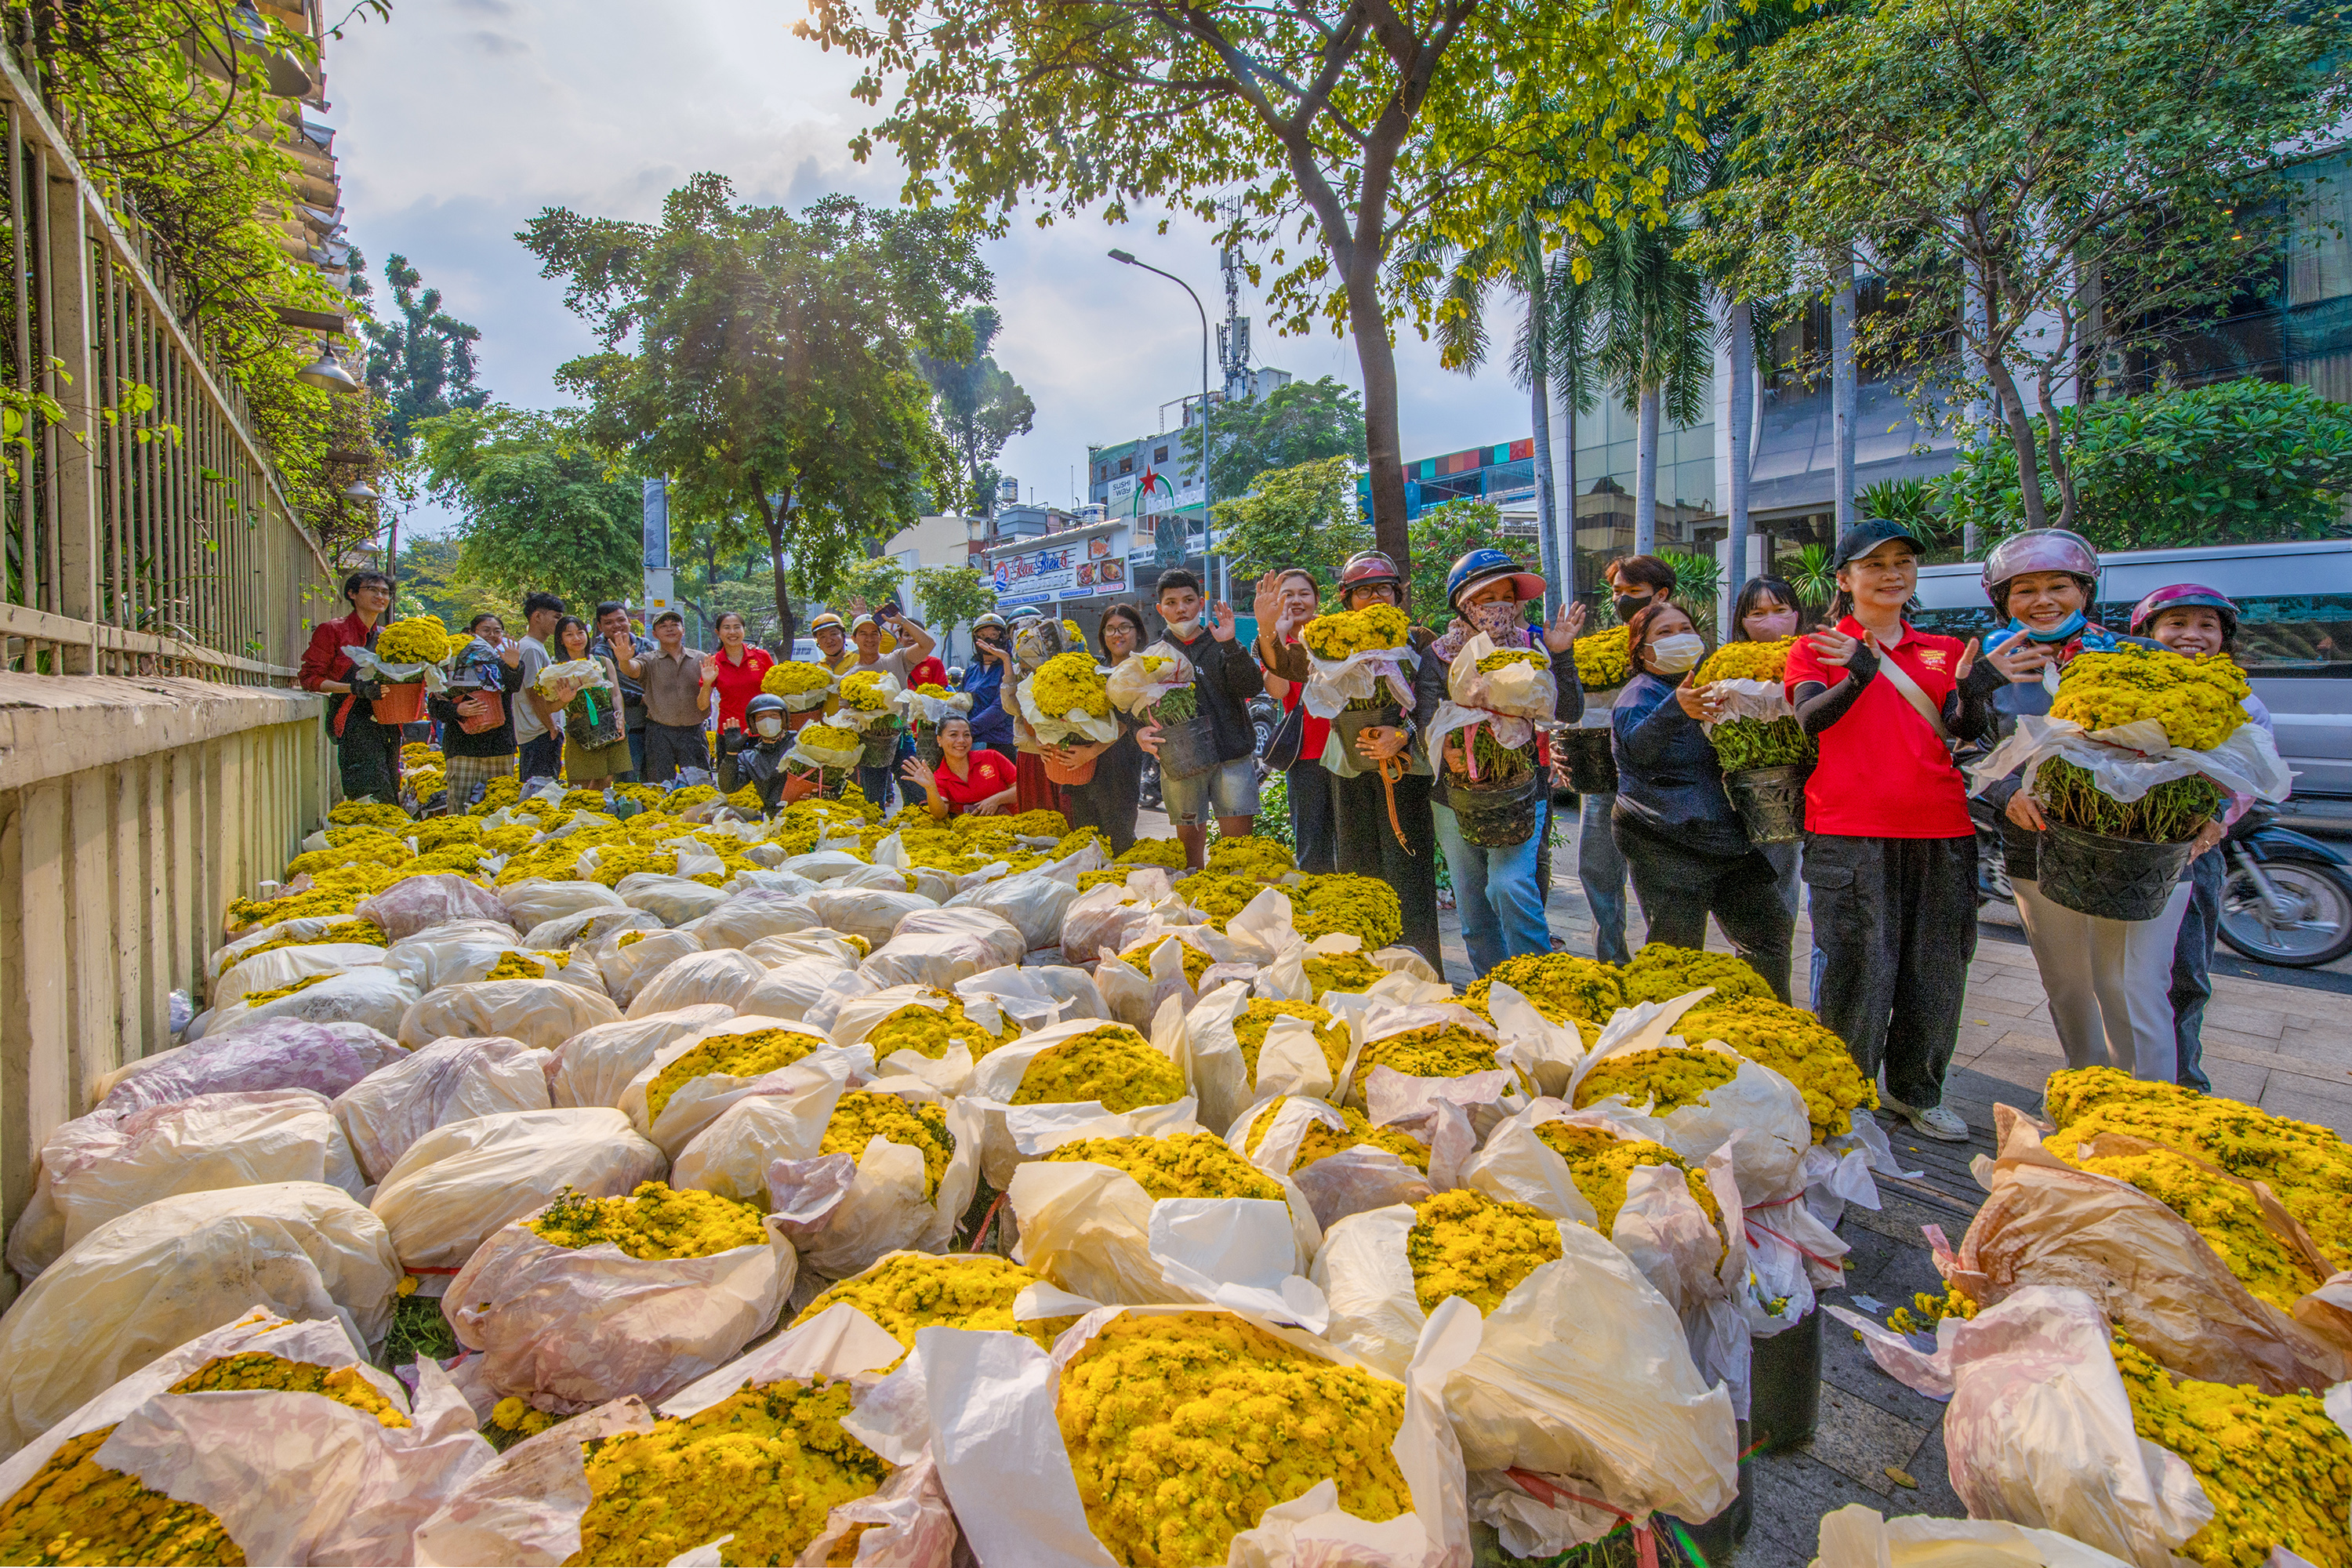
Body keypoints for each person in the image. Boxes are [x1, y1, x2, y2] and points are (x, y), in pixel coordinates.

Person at [1786, 518, 2003, 1142]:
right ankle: (1847, 1091)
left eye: (1903, 562)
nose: (1892, 574)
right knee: (1857, 965)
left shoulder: (1938, 647)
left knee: (1936, 967)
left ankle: (1917, 1090)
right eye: (1875, 564)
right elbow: (1809, 721)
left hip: (1942, 828)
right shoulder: (1817, 648)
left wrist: (1976, 691)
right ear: (1845, 579)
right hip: (1849, 829)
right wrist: (1859, 672)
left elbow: (1962, 732)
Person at [1973, 529, 2196, 1087]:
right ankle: (2086, 1091)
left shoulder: (2137, 657)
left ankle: (2146, 1108)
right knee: (2066, 984)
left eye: (2058, 586)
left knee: (2128, 984)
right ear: (2004, 600)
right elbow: (1964, 745)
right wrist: (2005, 792)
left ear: (2084, 591)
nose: (2043, 600)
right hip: (2036, 847)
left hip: (2132, 851)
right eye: (2024, 590)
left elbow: (2196, 742)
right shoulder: (1987, 666)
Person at [1264, 550, 1443, 971]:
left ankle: (1422, 968)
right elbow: (1290, 667)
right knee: (1358, 864)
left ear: (1397, 594)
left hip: (1405, 769)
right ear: (1348, 600)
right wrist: (1273, 631)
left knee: (1409, 865)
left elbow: (1438, 696)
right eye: (1363, 591)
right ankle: (1364, 966)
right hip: (1348, 763)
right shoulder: (1329, 637)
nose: (1375, 597)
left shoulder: (1419, 639)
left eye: (1383, 588)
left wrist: (1404, 734)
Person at [1610, 598, 1794, 1000]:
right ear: (1642, 650)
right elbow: (1637, 750)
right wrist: (1675, 708)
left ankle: (1771, 1021)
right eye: (1665, 632)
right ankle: (1671, 1038)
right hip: (1665, 838)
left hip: (1727, 838)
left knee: (1768, 937)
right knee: (1676, 954)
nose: (1680, 637)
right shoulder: (1638, 694)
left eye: (1686, 628)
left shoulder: (1711, 684)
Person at [2131, 584, 2276, 1094]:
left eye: (2206, 625)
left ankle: (2183, 1083)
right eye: (2176, 624)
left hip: (2195, 853)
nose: (2191, 635)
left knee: (2185, 974)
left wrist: (2216, 820)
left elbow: (2249, 777)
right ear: (2149, 635)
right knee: (2121, 976)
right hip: (2124, 853)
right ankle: (2117, 1075)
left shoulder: (2243, 702)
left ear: (2223, 638)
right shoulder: (2125, 692)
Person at [1417, 549, 1587, 977]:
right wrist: (1445, 749)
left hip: (1522, 790)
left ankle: (1538, 981)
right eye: (1485, 596)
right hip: (1453, 796)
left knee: (1510, 885)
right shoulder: (1438, 655)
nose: (1498, 606)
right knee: (1474, 908)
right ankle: (1491, 991)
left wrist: (1561, 654)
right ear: (1463, 603)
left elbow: (1568, 708)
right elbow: (1425, 718)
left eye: (1507, 596)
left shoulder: (1536, 646)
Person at [1578, 555, 1676, 964]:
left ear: (1662, 594)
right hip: (1603, 773)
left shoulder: (1680, 644)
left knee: (1659, 879)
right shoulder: (1601, 646)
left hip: (1659, 781)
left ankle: (1665, 962)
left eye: (1633, 592)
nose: (1622, 600)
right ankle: (1613, 960)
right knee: (1598, 869)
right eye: (1617, 592)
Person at [1134, 569, 1263, 868]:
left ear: (1200, 603)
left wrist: (1231, 645)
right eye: (1172, 602)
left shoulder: (1222, 642)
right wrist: (1138, 734)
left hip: (1231, 758)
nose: (1181, 609)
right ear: (1160, 609)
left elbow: (1252, 687)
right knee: (1190, 859)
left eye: (1189, 600)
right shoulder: (1153, 656)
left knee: (1238, 855)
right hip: (1181, 765)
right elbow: (1133, 710)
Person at [1718, 575, 1810, 966]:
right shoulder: (1723, 668)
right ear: (1741, 620)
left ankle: (1772, 957)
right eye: (1757, 613)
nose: (1769, 621)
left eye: (1779, 610)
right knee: (1768, 875)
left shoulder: (1815, 656)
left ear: (1796, 614)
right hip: (1752, 792)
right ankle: (1763, 957)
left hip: (1815, 787)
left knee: (1791, 874)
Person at [1253, 568, 1338, 873]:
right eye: (1287, 594)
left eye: (1304, 593)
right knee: (1312, 841)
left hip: (1346, 748)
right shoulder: (1273, 639)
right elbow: (1278, 691)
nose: (1296, 600)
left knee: (1352, 838)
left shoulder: (1334, 633)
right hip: (1306, 753)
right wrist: (1276, 635)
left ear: (1317, 598)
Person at [298, 568, 405, 800]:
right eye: (372, 590)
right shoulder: (333, 631)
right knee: (368, 792)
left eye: (385, 592)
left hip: (387, 721)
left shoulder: (388, 637)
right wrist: (354, 689)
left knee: (391, 787)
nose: (380, 596)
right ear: (352, 594)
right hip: (353, 721)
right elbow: (310, 679)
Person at [1054, 602, 1149, 853]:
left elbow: (1131, 722)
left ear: (1138, 632)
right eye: (1110, 629)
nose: (1117, 634)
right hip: (1081, 769)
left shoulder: (1144, 671)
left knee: (1119, 840)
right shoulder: (1091, 669)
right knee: (1086, 841)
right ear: (1102, 636)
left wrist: (1092, 751)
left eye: (1125, 627)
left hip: (1119, 769)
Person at [427, 612, 527, 808]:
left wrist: (514, 666)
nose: (492, 635)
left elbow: (514, 687)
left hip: (499, 746)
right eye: (485, 630)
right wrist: (458, 710)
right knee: (460, 804)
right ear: (472, 632)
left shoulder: (504, 661)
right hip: (462, 747)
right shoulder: (452, 663)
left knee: (499, 805)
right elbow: (435, 705)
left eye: (497, 631)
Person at [845, 606, 938, 808]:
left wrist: (901, 620)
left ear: (881, 637)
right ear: (854, 639)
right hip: (869, 744)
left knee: (916, 792)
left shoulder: (897, 659)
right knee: (873, 800)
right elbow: (845, 716)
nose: (869, 639)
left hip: (902, 736)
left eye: (874, 634)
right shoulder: (849, 677)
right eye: (863, 634)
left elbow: (928, 644)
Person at [546, 615, 637, 783]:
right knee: (580, 787)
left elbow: (615, 694)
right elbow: (550, 707)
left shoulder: (603, 661)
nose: (577, 639)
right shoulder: (557, 670)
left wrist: (620, 717)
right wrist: (565, 700)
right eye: (569, 635)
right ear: (560, 640)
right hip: (580, 731)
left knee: (605, 783)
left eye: (580, 632)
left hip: (609, 727)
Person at [637, 609, 710, 784]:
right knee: (660, 785)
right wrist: (624, 660)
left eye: (674, 625)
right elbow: (632, 669)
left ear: (683, 630)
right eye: (663, 626)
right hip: (660, 732)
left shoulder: (700, 659)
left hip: (693, 732)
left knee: (699, 786)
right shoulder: (648, 660)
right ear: (654, 634)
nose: (670, 629)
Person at [901, 714, 1018, 818]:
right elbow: (940, 813)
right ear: (939, 740)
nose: (961, 740)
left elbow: (1022, 788)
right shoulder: (938, 777)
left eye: (967, 735)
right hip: (973, 833)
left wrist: (996, 800)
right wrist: (930, 788)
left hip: (1013, 824)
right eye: (953, 735)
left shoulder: (991, 757)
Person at [590, 601, 657, 778]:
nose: (616, 626)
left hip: (655, 724)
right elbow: (605, 690)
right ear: (600, 626)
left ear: (629, 620)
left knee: (655, 780)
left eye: (621, 620)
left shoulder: (645, 645)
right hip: (626, 728)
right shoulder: (599, 654)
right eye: (609, 622)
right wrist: (640, 699)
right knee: (630, 781)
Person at [512, 591, 565, 782]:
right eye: (556, 617)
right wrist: (551, 727)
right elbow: (534, 693)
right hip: (538, 732)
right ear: (537, 617)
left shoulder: (535, 646)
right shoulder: (531, 648)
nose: (559, 624)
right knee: (540, 791)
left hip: (539, 731)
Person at [717, 693, 797, 817]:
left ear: (783, 719)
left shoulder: (799, 744)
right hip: (773, 816)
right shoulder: (749, 758)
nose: (767, 721)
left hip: (804, 809)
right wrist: (731, 753)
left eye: (773, 716)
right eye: (761, 717)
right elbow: (728, 787)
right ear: (753, 724)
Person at [698, 611, 775, 736]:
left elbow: (778, 695)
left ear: (744, 630)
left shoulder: (761, 656)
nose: (732, 632)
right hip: (730, 733)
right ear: (717, 632)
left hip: (764, 731)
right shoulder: (713, 663)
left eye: (737, 627)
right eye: (726, 628)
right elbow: (702, 706)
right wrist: (707, 683)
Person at [961, 613, 1018, 754]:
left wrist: (967, 728)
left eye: (993, 635)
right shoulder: (971, 671)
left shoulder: (1010, 668)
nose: (987, 639)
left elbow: (1001, 707)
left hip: (999, 742)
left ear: (1002, 638)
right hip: (970, 741)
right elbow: (961, 702)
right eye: (982, 635)